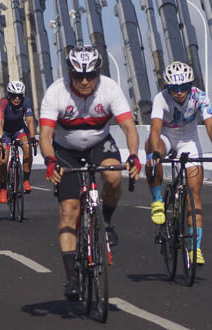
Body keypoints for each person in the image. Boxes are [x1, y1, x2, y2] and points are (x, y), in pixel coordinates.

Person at [39, 45, 141, 301]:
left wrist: (134, 156)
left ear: (98, 73)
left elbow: (129, 127)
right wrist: (50, 161)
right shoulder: (55, 92)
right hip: (65, 149)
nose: (84, 81)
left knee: (113, 176)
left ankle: (105, 220)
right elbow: (46, 135)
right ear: (69, 73)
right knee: (69, 210)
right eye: (78, 76)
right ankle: (72, 277)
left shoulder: (109, 88)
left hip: (99, 143)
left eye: (90, 76)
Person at [144, 61, 212, 265]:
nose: (179, 93)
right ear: (168, 87)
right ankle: (157, 200)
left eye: (183, 88)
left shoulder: (200, 96)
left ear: (190, 86)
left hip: (189, 141)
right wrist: (155, 153)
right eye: (174, 89)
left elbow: (211, 125)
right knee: (152, 151)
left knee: (194, 193)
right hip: (165, 137)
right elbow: (155, 129)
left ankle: (195, 248)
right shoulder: (160, 99)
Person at [0, 80, 38, 203]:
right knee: (3, 160)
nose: (17, 98)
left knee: (27, 147)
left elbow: (29, 120)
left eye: (20, 96)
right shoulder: (2, 103)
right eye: (14, 96)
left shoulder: (26, 102)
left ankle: (25, 180)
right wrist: (0, 138)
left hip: (19, 129)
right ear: (9, 95)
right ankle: (3, 188)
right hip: (5, 132)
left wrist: (33, 137)